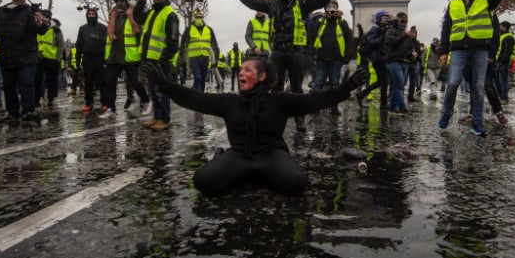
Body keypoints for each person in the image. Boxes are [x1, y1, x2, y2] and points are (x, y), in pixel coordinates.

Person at [140, 56, 367, 196]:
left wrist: (346, 87)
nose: (241, 72)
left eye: (247, 69)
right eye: (240, 69)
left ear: (262, 76)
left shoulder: (279, 101)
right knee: (202, 182)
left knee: (297, 184)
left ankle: (257, 173)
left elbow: (314, 100)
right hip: (240, 154)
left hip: (271, 153)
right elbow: (195, 99)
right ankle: (249, 171)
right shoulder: (229, 102)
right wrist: (165, 84)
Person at [218, 0, 339, 132]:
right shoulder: (271, 5)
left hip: (296, 53)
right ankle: (274, 120)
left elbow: (320, 0)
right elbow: (251, 1)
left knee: (297, 89)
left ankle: (299, 120)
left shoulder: (301, 4)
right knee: (275, 89)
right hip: (277, 53)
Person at [437, 0, 508, 136]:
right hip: (459, 49)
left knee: (478, 87)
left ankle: (478, 123)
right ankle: (446, 114)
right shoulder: (454, 2)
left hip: (479, 49)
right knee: (452, 83)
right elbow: (446, 27)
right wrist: (443, 51)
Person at [0, 0, 48, 122]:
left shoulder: (30, 12)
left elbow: (41, 30)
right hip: (7, 55)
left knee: (26, 82)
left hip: (27, 55)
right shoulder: (1, 12)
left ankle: (28, 110)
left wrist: (40, 21)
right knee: (9, 85)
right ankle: (12, 112)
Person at [134, 0, 181, 130]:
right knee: (152, 92)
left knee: (161, 92)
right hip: (148, 59)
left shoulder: (170, 14)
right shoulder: (152, 13)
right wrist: (141, 0)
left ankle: (164, 119)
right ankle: (156, 117)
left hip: (160, 61)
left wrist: (163, 60)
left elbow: (173, 42)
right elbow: (137, 17)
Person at [104, 0, 150, 118]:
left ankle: (146, 100)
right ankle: (110, 108)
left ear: (126, 3)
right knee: (110, 82)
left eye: (122, 1)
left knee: (134, 82)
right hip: (114, 56)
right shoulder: (112, 17)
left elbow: (140, 35)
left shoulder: (133, 17)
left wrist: (143, 55)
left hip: (129, 56)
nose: (119, 3)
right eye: (117, 1)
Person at [310, 0, 353, 114]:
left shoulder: (342, 22)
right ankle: (315, 106)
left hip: (336, 58)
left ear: (337, 8)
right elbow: (312, 38)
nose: (331, 9)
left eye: (334, 6)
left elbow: (349, 39)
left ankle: (334, 107)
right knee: (318, 83)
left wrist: (347, 56)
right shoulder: (319, 22)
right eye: (328, 7)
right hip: (321, 58)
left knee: (335, 83)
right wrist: (312, 54)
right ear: (325, 9)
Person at [74, 7, 108, 114]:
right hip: (87, 58)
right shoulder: (82, 29)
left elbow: (107, 44)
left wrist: (107, 59)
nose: (91, 16)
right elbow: (79, 44)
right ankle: (89, 103)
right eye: (90, 14)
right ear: (87, 16)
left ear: (96, 15)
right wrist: (78, 60)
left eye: (93, 14)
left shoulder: (103, 28)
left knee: (102, 81)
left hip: (100, 58)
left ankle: (104, 102)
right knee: (88, 82)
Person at [357, 10, 392, 109]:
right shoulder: (374, 29)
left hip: (382, 57)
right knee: (383, 81)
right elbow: (372, 42)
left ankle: (362, 94)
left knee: (381, 81)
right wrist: (383, 35)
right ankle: (383, 103)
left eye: (387, 18)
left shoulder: (382, 29)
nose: (387, 20)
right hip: (377, 58)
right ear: (378, 19)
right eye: (384, 18)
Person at [181, 9, 220, 93]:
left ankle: (200, 96)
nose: (198, 18)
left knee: (202, 80)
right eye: (197, 17)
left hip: (205, 58)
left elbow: (215, 45)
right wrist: (182, 58)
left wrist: (216, 59)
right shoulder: (189, 29)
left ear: (203, 17)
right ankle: (195, 96)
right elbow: (183, 43)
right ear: (194, 17)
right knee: (198, 77)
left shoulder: (209, 29)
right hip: (193, 58)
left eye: (200, 17)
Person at [385, 12, 417, 113]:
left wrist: (412, 53)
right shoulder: (391, 31)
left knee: (397, 85)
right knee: (400, 84)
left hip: (405, 62)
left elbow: (408, 48)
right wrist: (404, 36)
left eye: (406, 21)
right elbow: (391, 43)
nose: (404, 23)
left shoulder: (407, 35)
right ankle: (402, 107)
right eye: (402, 20)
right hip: (394, 62)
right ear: (397, 20)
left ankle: (392, 107)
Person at [35, 9, 64, 110]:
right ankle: (38, 98)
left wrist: (57, 58)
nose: (45, 19)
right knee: (37, 80)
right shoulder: (37, 28)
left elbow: (60, 45)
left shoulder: (56, 30)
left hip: (52, 58)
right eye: (44, 17)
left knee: (52, 80)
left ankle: (52, 98)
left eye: (47, 17)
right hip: (39, 58)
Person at [495, 21, 515, 102]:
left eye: (501, 26)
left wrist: (502, 61)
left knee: (503, 80)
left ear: (504, 27)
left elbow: (507, 51)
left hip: (504, 62)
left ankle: (504, 97)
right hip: (498, 61)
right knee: (497, 80)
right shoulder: (501, 36)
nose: (499, 28)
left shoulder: (508, 37)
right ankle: (501, 96)